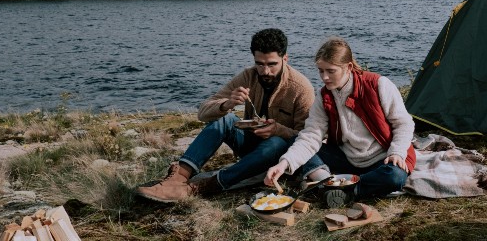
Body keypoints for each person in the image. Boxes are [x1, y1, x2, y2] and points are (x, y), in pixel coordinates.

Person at [135, 28, 315, 202]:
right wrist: (227, 103)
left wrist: (278, 130)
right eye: (259, 64)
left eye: (272, 64)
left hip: (279, 158)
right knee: (226, 119)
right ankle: (179, 178)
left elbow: (307, 139)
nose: (265, 71)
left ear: (285, 58)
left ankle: (207, 186)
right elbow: (203, 112)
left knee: (276, 142)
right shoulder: (249, 76)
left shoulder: (301, 88)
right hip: (251, 147)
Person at [264, 36, 416, 203]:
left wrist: (397, 152)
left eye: (330, 71)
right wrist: (283, 164)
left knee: (395, 176)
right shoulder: (324, 96)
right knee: (295, 140)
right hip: (347, 159)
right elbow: (311, 137)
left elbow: (404, 123)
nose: (324, 77)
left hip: (382, 158)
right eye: (321, 71)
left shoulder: (378, 84)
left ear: (348, 67)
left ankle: (337, 189)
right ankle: (335, 184)